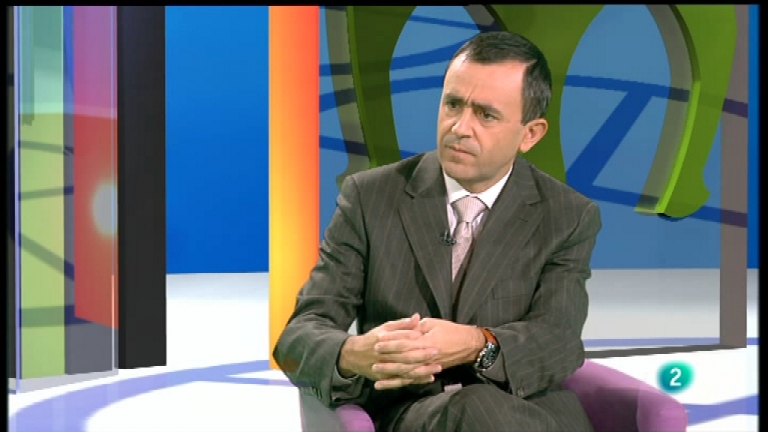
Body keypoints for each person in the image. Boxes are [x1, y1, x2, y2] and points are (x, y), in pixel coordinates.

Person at [274, 31, 602, 432]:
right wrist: (354, 353)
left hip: (527, 413)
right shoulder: (370, 198)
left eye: (486, 115)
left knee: (484, 407)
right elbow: (297, 339)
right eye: (453, 105)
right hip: (414, 413)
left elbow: (558, 342)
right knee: (473, 407)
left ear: (530, 134)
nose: (460, 127)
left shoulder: (567, 216)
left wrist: (475, 344)